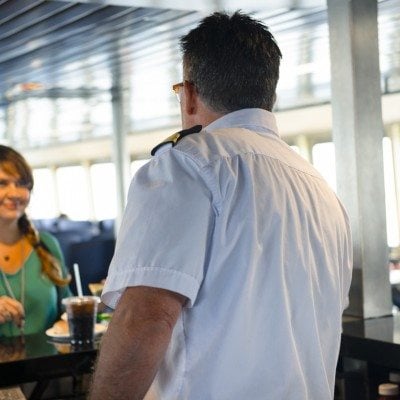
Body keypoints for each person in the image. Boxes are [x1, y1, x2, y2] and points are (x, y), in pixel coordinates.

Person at [90, 11, 353, 400]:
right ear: (270, 95)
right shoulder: (322, 191)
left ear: (190, 94)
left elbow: (145, 318)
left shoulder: (186, 165)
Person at [0, 145, 71, 337]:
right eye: (2, 183)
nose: (14, 193)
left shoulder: (46, 244)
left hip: (46, 365)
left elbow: (68, 310)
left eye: (22, 183)